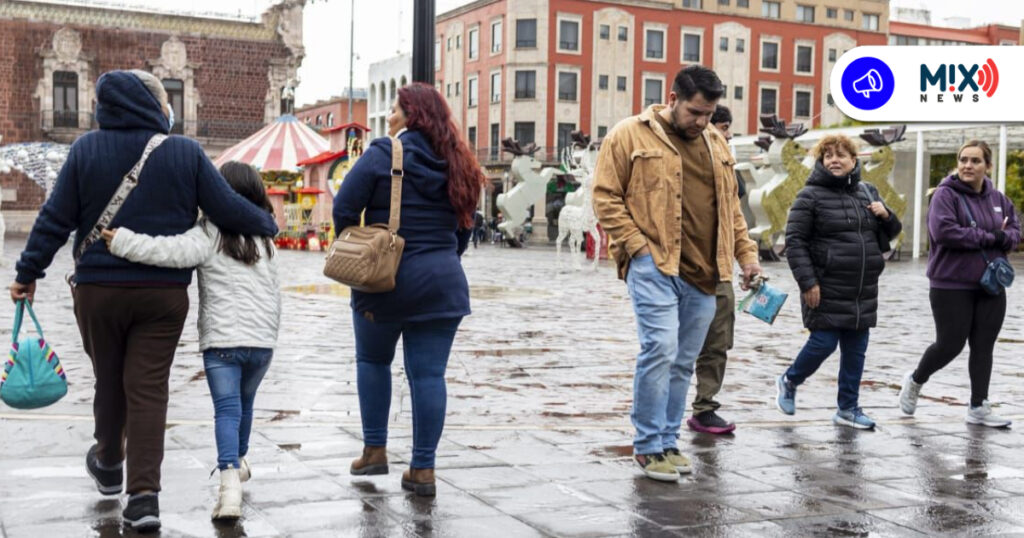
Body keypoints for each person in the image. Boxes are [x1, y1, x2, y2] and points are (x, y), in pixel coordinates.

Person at [8, 70, 277, 532]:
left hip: (98, 291)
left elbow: (55, 218)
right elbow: (228, 208)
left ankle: (110, 462)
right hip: (162, 295)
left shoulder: (85, 150)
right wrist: (267, 224)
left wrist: (28, 272)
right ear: (156, 105)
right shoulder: (185, 152)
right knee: (148, 389)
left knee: (108, 379)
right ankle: (144, 498)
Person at [592, 65, 761, 482]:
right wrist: (638, 248)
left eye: (709, 114)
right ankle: (648, 446)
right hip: (656, 265)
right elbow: (605, 196)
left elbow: (732, 211)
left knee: (684, 362)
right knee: (660, 350)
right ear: (672, 99)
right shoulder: (629, 134)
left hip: (707, 272)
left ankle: (668, 440)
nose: (702, 122)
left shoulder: (718, 144)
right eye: (694, 112)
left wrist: (747, 257)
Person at [102, 161, 281, 520]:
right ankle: (238, 467)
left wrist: (122, 241)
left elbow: (168, 251)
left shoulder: (209, 234)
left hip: (223, 340)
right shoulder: (265, 238)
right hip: (262, 342)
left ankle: (229, 486)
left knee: (227, 411)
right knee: (244, 408)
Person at [334, 83, 484, 497]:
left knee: (373, 361)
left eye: (396, 110)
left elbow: (344, 205)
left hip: (386, 279)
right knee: (430, 375)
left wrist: (355, 243)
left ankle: (375, 449)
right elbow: (465, 227)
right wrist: (442, 255)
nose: (389, 117)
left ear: (413, 115)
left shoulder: (384, 153)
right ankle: (422, 470)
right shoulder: (461, 162)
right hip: (444, 283)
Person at [775, 134, 902, 430]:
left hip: (863, 289)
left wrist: (887, 215)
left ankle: (848, 408)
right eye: (828, 155)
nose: (834, 160)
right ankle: (790, 379)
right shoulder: (809, 196)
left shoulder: (869, 191)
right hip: (826, 286)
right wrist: (808, 283)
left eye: (841, 155)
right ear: (820, 162)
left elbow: (891, 232)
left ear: (854, 161)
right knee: (823, 343)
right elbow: (795, 242)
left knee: (856, 351)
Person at [898, 140, 1020, 427]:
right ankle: (916, 380)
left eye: (975, 161)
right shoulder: (945, 195)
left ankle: (978, 406)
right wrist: (993, 237)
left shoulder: (999, 200)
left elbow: (1015, 230)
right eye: (963, 159)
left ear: (987, 166)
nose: (967, 165)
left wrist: (1006, 237)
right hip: (950, 283)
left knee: (983, 345)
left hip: (990, 284)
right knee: (950, 344)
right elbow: (945, 233)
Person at [687, 104, 745, 435]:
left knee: (718, 342)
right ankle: (660, 415)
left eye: (721, 125)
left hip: (720, 269)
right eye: (722, 126)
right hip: (679, 269)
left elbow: (735, 215)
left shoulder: (725, 161)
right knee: (672, 346)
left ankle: (705, 407)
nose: (724, 133)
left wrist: (747, 258)